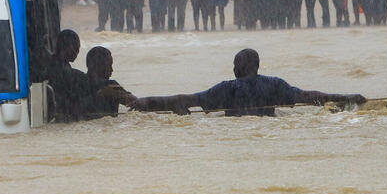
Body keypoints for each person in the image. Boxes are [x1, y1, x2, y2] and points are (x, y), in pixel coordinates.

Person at [131, 48, 365, 116]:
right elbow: (311, 97)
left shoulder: (227, 89)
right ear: (257, 67)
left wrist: (147, 102)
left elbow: (184, 100)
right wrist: (346, 99)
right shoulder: (274, 85)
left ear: (236, 69)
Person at [84, 47, 138, 118]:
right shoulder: (110, 85)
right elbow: (135, 102)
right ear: (99, 66)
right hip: (107, 125)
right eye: (109, 66)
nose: (112, 70)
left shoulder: (77, 81)